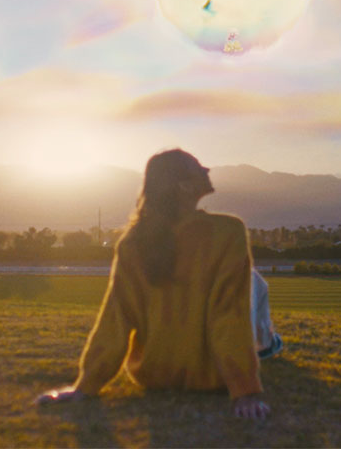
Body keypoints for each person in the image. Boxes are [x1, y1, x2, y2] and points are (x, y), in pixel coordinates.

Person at [37, 149, 281, 419]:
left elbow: (115, 318)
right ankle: (270, 343)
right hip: (211, 378)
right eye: (198, 167)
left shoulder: (132, 242)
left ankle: (267, 341)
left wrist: (86, 386)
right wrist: (244, 391)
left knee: (251, 282)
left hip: (153, 374)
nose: (207, 170)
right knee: (256, 284)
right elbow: (229, 313)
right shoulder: (228, 231)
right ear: (185, 185)